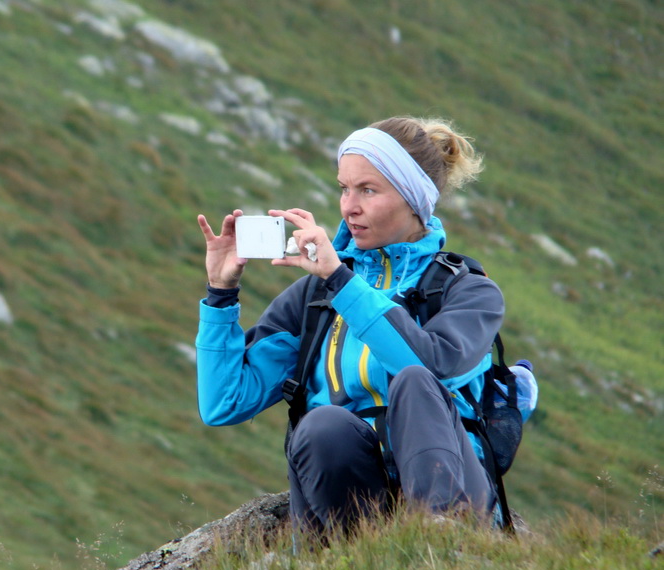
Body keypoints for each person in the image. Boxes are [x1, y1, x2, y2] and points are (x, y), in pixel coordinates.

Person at [195, 116, 501, 535]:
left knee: (413, 381)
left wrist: (342, 280)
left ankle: (442, 539)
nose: (348, 206)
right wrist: (220, 294)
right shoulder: (315, 298)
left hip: (455, 495)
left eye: (368, 190)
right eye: (344, 188)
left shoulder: (466, 291)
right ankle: (350, 564)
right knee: (322, 423)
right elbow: (223, 403)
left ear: (413, 200)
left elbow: (432, 367)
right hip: (346, 512)